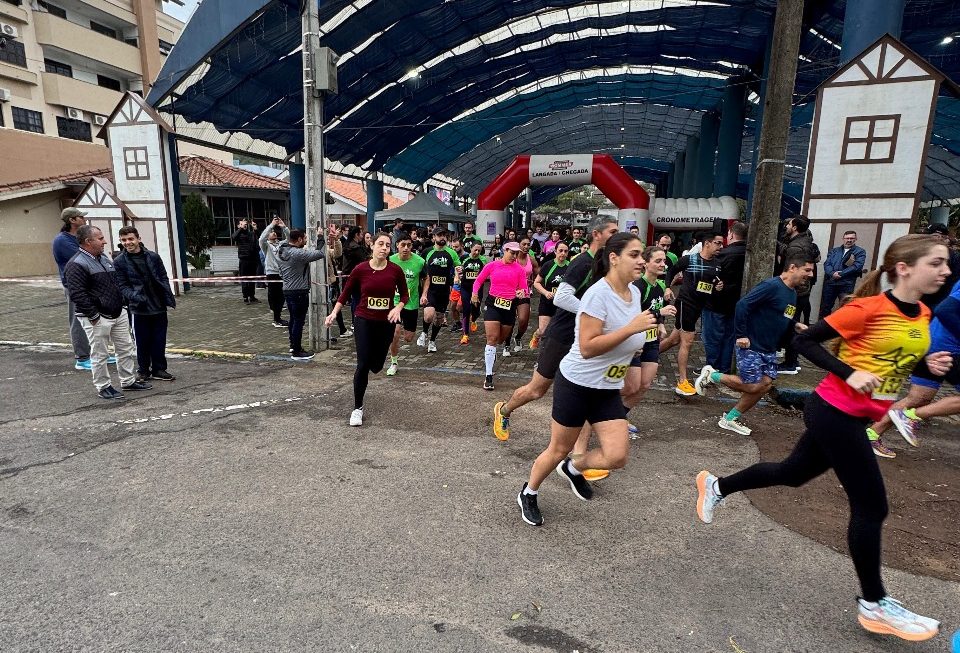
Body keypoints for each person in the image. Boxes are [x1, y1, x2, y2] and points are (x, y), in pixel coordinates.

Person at [695, 234, 950, 642]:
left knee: (792, 473)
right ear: (904, 268)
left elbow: (894, 353)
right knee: (872, 506)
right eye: (936, 263)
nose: (946, 270)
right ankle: (874, 603)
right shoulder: (869, 308)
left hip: (858, 413)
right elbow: (803, 341)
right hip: (836, 413)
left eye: (946, 263)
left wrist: (927, 360)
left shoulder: (920, 311)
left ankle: (717, 485)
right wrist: (850, 374)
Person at [516, 232, 658, 526]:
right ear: (614, 258)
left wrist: (642, 336)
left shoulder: (634, 293)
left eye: (642, 255)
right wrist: (632, 330)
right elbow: (588, 347)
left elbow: (628, 334)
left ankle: (573, 467)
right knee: (557, 449)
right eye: (634, 255)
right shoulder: (597, 294)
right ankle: (529, 492)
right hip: (577, 384)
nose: (641, 261)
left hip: (606, 388)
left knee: (617, 456)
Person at [492, 215, 618, 445]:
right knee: (536, 390)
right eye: (612, 232)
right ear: (597, 234)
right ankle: (504, 409)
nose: (616, 236)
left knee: (586, 391)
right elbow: (562, 297)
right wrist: (592, 315)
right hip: (562, 335)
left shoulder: (604, 264)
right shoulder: (582, 263)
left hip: (586, 338)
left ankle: (578, 456)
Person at [695, 254, 815, 435]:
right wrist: (741, 334)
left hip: (769, 347)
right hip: (751, 344)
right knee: (752, 385)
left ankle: (729, 419)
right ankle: (713, 376)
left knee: (765, 385)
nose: (811, 274)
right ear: (792, 268)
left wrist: (795, 325)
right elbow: (743, 305)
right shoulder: (771, 286)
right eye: (807, 270)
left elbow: (785, 315)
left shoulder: (792, 293)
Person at [866, 276, 960, 458]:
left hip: (933, 343)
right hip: (946, 348)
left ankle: (871, 435)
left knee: (919, 398)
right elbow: (945, 309)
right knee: (917, 403)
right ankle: (911, 416)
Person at [326, 233, 407, 426]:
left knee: (377, 366)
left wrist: (398, 308)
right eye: (381, 244)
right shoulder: (360, 269)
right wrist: (334, 313)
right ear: (371, 246)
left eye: (388, 245)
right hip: (363, 320)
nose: (384, 248)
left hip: (386, 321)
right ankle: (357, 408)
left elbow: (405, 294)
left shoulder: (395, 270)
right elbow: (345, 294)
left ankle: (375, 362)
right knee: (362, 364)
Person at [64, 225, 150, 399]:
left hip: (118, 312)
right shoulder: (76, 264)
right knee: (100, 354)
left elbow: (115, 282)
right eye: (100, 238)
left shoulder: (103, 258)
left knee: (125, 348)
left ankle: (128, 380)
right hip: (97, 317)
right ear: (88, 241)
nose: (104, 241)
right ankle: (103, 386)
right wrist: (94, 316)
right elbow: (77, 294)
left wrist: (123, 305)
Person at [659, 232, 725, 396]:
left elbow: (712, 286)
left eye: (722, 244)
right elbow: (671, 271)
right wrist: (667, 287)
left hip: (699, 307)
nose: (721, 247)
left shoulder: (717, 264)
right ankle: (682, 381)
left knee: (674, 340)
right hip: (685, 304)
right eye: (718, 243)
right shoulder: (690, 259)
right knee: (687, 341)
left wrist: (718, 288)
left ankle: (646, 355)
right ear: (707, 243)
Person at [621, 246, 677, 436]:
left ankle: (619, 416)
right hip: (635, 341)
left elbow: (657, 310)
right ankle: (602, 411)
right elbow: (632, 315)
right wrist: (659, 313)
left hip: (651, 340)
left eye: (664, 261)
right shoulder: (638, 286)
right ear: (646, 263)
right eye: (658, 261)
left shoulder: (660, 286)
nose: (663, 264)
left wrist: (660, 324)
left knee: (644, 385)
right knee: (631, 386)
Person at [113, 226, 177, 383]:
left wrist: (166, 294)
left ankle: (159, 369)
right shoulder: (119, 261)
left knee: (159, 339)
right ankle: (143, 370)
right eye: (124, 240)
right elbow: (122, 286)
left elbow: (163, 276)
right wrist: (135, 297)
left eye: (130, 239)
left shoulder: (153, 257)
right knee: (141, 341)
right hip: (138, 309)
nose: (128, 242)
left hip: (158, 305)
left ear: (138, 239)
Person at [472, 242, 527, 390]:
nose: (514, 256)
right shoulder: (492, 265)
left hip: (509, 307)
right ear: (505, 250)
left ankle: (492, 354)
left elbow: (524, 289)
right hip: (493, 304)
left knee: (501, 339)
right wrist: (475, 293)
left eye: (517, 254)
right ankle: (488, 376)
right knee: (492, 338)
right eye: (512, 253)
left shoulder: (519, 270)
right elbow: (478, 280)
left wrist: (521, 293)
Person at [701, 222, 747, 375]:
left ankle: (711, 368)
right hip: (738, 304)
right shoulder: (749, 253)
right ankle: (724, 368)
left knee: (712, 338)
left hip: (716, 303)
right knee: (729, 338)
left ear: (731, 235)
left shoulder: (722, 255)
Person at [777, 215, 821, 374]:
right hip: (800, 292)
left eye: (789, 223)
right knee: (791, 324)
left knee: (790, 325)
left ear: (795, 227)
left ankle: (790, 363)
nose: (787, 225)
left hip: (796, 293)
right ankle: (791, 360)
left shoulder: (797, 247)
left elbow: (793, 269)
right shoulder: (802, 242)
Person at [276, 226, 326, 361]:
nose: (305, 241)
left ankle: (293, 345)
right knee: (298, 321)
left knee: (293, 320)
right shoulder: (297, 253)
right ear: (298, 239)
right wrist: (320, 236)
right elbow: (319, 254)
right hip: (298, 291)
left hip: (287, 290)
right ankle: (297, 352)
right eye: (304, 238)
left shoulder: (281, 250)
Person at [52, 207, 93, 371]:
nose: (84, 219)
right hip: (75, 286)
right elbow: (84, 257)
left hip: (89, 284)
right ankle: (82, 358)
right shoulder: (62, 240)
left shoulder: (78, 237)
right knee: (78, 321)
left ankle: (96, 354)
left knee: (93, 320)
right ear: (72, 220)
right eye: (81, 217)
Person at [386, 233, 425, 375]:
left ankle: (401, 329)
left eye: (409, 245)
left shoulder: (419, 262)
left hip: (411, 304)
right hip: (395, 303)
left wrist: (424, 294)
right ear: (397, 245)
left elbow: (427, 278)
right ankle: (394, 362)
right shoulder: (389, 260)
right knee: (395, 334)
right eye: (403, 245)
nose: (406, 248)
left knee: (408, 338)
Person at [418, 227, 461, 352]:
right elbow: (420, 267)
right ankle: (424, 332)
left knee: (439, 318)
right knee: (428, 316)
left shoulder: (451, 253)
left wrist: (460, 270)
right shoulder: (427, 252)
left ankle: (432, 341)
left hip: (444, 290)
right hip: (430, 289)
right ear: (434, 238)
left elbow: (458, 265)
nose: (442, 237)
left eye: (444, 235)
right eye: (439, 235)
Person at [530, 241, 570, 350]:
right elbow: (536, 283)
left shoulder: (570, 266)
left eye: (565, 251)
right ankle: (536, 335)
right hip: (547, 302)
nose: (563, 253)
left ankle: (546, 356)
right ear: (555, 251)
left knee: (558, 332)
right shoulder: (548, 265)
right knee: (543, 331)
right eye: (560, 251)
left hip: (562, 304)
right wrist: (546, 292)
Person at [504, 237, 539, 355]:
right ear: (518, 245)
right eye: (523, 244)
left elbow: (539, 275)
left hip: (524, 292)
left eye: (528, 244)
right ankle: (507, 345)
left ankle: (518, 337)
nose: (526, 246)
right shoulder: (512, 259)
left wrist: (533, 282)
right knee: (510, 320)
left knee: (523, 320)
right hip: (510, 292)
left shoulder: (531, 260)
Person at [820, 230, 866, 317]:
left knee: (845, 308)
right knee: (825, 307)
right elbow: (827, 264)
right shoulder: (834, 251)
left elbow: (857, 266)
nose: (849, 240)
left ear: (855, 239)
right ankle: (822, 328)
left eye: (851, 238)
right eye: (847, 238)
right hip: (831, 283)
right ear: (843, 239)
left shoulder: (860, 252)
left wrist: (841, 274)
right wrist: (832, 273)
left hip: (846, 284)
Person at [919, 223, 960, 311]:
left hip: (940, 302)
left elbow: (954, 281)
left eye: (943, 237)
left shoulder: (953, 256)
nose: (939, 239)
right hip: (919, 300)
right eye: (936, 236)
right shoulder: (918, 252)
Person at [259, 217, 290, 328]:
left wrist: (284, 227)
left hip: (282, 273)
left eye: (274, 232)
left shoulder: (280, 244)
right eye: (271, 232)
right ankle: (276, 319)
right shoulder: (266, 245)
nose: (274, 233)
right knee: (274, 296)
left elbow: (290, 239)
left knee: (282, 296)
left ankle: (278, 317)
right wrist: (271, 225)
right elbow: (261, 239)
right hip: (272, 273)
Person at [458, 242, 490, 345]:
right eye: (475, 250)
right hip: (465, 288)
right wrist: (458, 275)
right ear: (470, 248)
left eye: (479, 251)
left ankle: (474, 317)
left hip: (477, 289)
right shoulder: (464, 258)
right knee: (466, 309)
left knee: (475, 308)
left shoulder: (483, 260)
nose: (476, 252)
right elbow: (458, 270)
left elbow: (486, 273)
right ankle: (465, 334)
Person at [232, 218, 261, 304]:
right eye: (242, 223)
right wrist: (240, 228)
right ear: (238, 225)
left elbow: (259, 237)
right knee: (244, 279)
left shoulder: (251, 234)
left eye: (245, 223)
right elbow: (233, 237)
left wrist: (255, 228)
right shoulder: (238, 234)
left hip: (253, 259)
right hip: (244, 259)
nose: (244, 225)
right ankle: (245, 297)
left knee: (252, 279)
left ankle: (252, 296)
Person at [449, 237, 466, 333]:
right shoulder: (452, 256)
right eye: (452, 247)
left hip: (466, 285)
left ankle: (466, 321)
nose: (454, 249)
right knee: (452, 306)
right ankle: (458, 323)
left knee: (460, 307)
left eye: (456, 247)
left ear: (462, 246)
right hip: (456, 285)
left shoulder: (467, 256)